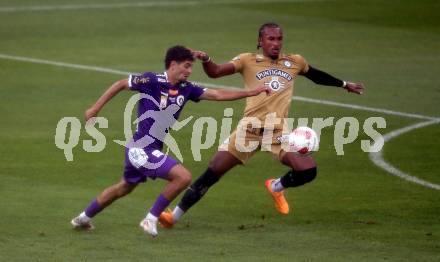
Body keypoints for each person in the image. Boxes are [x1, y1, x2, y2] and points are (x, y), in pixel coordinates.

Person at [159, 22, 364, 227]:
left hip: (278, 132)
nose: (276, 43)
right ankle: (173, 216)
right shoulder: (247, 60)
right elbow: (216, 72)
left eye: (279, 39)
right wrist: (207, 59)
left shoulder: (295, 62)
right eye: (271, 39)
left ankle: (276, 186)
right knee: (213, 171)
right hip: (248, 131)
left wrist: (345, 85)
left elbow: (316, 76)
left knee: (308, 170)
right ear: (260, 41)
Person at [70, 45, 269, 237]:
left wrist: (250, 93)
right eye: (186, 66)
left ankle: (82, 218)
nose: (190, 71)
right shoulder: (151, 80)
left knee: (123, 188)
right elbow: (121, 84)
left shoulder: (187, 88)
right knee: (183, 177)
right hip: (141, 147)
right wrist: (95, 109)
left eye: (191, 67)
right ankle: (150, 218)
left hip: (147, 148)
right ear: (173, 64)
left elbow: (217, 94)